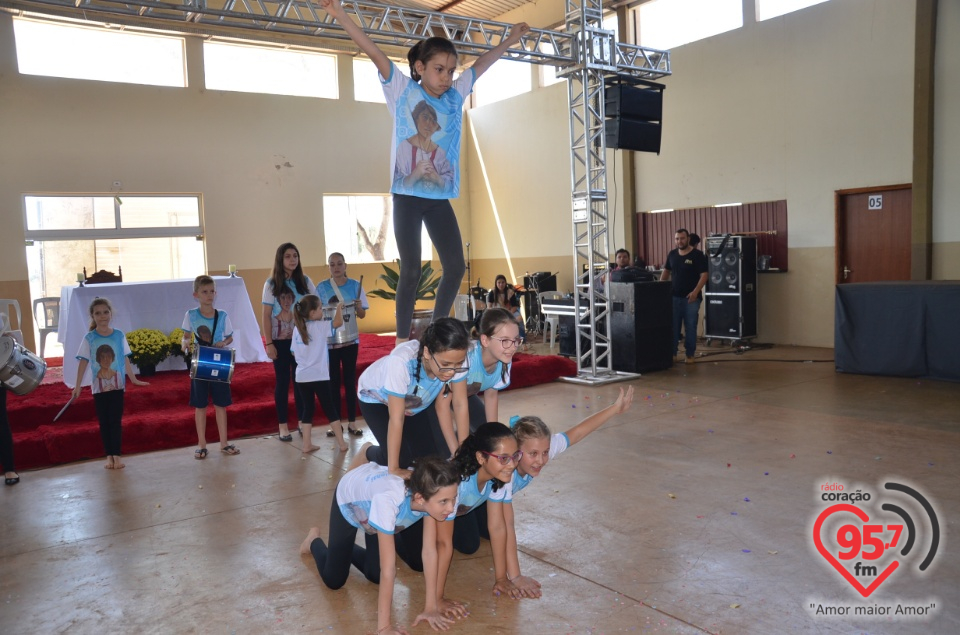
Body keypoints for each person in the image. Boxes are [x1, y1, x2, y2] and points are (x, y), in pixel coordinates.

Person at [321, 0, 529, 345]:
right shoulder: (403, 90)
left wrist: (509, 40)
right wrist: (341, 15)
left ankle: (436, 326)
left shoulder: (455, 95)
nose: (447, 77)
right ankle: (403, 340)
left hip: (437, 199)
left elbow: (481, 65)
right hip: (407, 195)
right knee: (413, 270)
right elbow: (373, 51)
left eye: (450, 70)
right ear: (419, 68)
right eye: (438, 69)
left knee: (455, 266)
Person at [485, 386, 635, 599]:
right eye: (534, 454)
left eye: (545, 453)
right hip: (468, 499)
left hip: (488, 501)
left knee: (483, 533)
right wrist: (515, 576)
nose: (541, 460)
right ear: (517, 453)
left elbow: (579, 431)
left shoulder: (537, 450)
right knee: (472, 540)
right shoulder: (505, 471)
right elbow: (506, 524)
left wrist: (614, 408)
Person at [299, 456, 461, 635]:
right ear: (420, 498)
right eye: (444, 502)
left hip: (376, 511)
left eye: (453, 499)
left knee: (374, 574)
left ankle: (346, 550)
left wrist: (431, 607)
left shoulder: (435, 490)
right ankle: (313, 540)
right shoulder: (389, 500)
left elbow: (429, 552)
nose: (451, 507)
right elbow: (389, 569)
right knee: (334, 580)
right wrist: (384, 629)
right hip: (350, 501)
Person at [423, 422, 519, 621]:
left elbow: (497, 526)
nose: (511, 464)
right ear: (481, 457)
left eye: (515, 456)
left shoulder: (498, 477)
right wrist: (437, 599)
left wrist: (501, 578)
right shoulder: (457, 485)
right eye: (503, 458)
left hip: (452, 513)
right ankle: (371, 454)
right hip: (419, 517)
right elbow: (443, 543)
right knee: (417, 562)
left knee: (469, 545)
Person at [356, 317, 470, 479]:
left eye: (458, 364)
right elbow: (396, 418)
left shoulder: (457, 357)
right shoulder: (401, 362)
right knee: (401, 460)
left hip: (417, 401)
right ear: (427, 353)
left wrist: (463, 454)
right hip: (378, 400)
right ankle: (367, 452)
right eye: (445, 364)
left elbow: (459, 404)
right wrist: (394, 469)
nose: (452, 371)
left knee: (437, 457)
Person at [72, 297, 149, 469]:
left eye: (105, 312)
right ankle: (108, 456)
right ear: (92, 316)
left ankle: (117, 455)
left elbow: (125, 359)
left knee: (115, 421)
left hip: (117, 386)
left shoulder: (119, 335)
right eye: (98, 313)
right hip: (98, 389)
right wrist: (77, 386)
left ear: (110, 313)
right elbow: (83, 362)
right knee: (104, 422)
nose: (102, 316)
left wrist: (134, 379)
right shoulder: (89, 338)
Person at [262, 243, 317, 441]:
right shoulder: (271, 284)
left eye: (295, 255)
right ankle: (283, 425)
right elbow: (267, 315)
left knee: (301, 381)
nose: (293, 260)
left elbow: (316, 309)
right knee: (283, 382)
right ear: (280, 259)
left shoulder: (306, 282)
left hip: (303, 341)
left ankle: (303, 421)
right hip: (281, 342)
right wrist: (269, 343)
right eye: (288, 256)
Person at [182, 275, 239, 459]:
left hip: (219, 361)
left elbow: (229, 336)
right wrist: (184, 343)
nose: (209, 295)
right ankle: (201, 444)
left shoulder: (222, 315)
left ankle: (224, 443)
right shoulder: (190, 315)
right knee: (200, 405)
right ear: (195, 294)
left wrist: (223, 342)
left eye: (212, 291)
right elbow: (186, 335)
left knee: (221, 404)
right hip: (199, 363)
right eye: (204, 292)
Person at [316, 252, 368, 438]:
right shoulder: (321, 288)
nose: (336, 267)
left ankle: (353, 422)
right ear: (329, 267)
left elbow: (361, 315)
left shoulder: (355, 285)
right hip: (329, 342)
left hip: (351, 340)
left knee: (349, 380)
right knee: (333, 383)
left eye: (339, 264)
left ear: (345, 265)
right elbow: (316, 314)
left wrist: (359, 306)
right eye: (332, 264)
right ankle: (335, 424)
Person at [291, 294, 346, 453]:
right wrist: (339, 308)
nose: (322, 310)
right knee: (330, 408)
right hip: (319, 376)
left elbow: (294, 353)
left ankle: (306, 444)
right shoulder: (319, 326)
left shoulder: (297, 329)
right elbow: (338, 322)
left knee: (308, 409)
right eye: (321, 308)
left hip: (302, 376)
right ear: (313, 313)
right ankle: (342, 444)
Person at [660, 228, 708, 364]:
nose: (679, 241)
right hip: (674, 298)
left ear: (687, 239)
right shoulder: (672, 254)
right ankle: (672, 354)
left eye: (682, 238)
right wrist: (659, 289)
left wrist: (695, 292)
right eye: (677, 239)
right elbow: (666, 272)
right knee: (673, 327)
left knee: (690, 327)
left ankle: (690, 354)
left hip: (691, 299)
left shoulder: (697, 255)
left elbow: (704, 275)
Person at [487, 275, 526, 342]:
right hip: (497, 313)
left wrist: (509, 314)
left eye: (503, 282)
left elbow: (514, 307)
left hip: (509, 312)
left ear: (505, 283)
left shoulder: (510, 292)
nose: (501, 284)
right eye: (499, 282)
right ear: (496, 284)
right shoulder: (492, 293)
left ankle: (522, 339)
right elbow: (489, 307)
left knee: (519, 318)